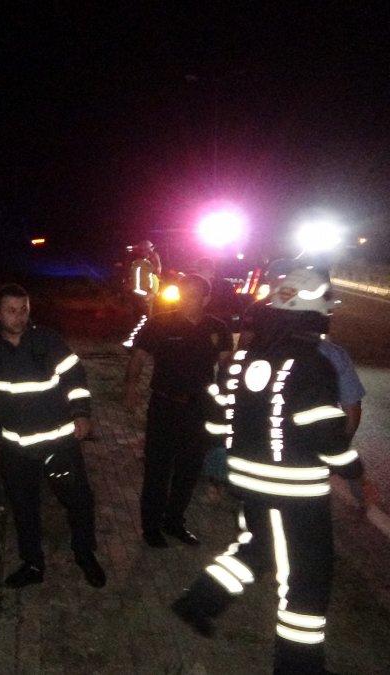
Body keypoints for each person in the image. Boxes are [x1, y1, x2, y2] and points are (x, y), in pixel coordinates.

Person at [170, 267, 363, 674]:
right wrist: (353, 470)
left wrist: (232, 455)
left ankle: (198, 602)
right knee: (307, 579)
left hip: (249, 482)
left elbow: (216, 418)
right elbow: (326, 434)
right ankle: (298, 666)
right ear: (315, 311)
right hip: (296, 492)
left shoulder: (245, 357)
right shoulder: (312, 364)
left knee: (257, 548)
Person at [0, 283, 105, 588]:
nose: (19, 316)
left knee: (79, 501)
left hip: (59, 444)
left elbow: (75, 378)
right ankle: (32, 564)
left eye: (24, 309)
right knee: (24, 509)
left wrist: (82, 413)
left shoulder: (48, 341)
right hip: (16, 450)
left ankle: (85, 554)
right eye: (12, 311)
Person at [124, 274, 232, 547]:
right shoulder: (159, 322)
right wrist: (131, 388)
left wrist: (228, 401)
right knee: (157, 470)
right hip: (165, 405)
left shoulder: (218, 328)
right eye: (185, 293)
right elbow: (138, 357)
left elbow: (226, 369)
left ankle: (174, 522)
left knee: (189, 470)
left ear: (206, 298)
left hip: (200, 410)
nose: (188, 299)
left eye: (195, 294)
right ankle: (151, 527)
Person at [128, 240, 162, 318]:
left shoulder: (146, 264)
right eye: (150, 251)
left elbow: (157, 271)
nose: (152, 253)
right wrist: (147, 295)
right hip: (142, 302)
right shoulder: (138, 265)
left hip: (149, 300)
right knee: (144, 323)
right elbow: (135, 288)